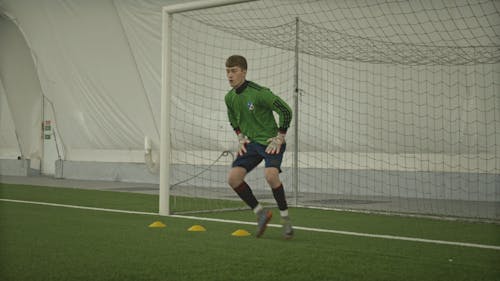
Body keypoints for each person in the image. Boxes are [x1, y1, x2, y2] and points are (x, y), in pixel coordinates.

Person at [224, 55, 293, 239]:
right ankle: (261, 213)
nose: (230, 75)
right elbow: (232, 119)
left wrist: (280, 136)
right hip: (252, 144)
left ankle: (285, 219)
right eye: (228, 71)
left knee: (270, 176)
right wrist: (240, 138)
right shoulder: (229, 98)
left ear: (244, 72)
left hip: (271, 142)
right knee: (233, 178)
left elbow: (285, 111)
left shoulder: (260, 93)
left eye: (234, 71)